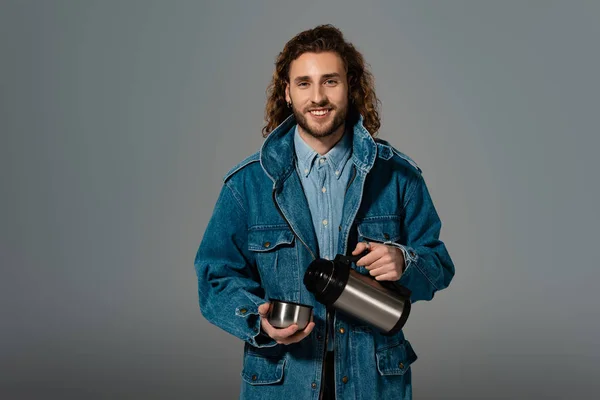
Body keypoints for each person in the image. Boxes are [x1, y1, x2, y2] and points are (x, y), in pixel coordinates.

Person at [194, 24, 455, 400]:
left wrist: (405, 261)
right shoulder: (248, 184)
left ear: (350, 85)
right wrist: (260, 320)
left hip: (373, 380)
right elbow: (214, 276)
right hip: (284, 379)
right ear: (287, 92)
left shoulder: (397, 176)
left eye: (330, 81)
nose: (318, 96)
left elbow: (439, 263)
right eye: (304, 83)